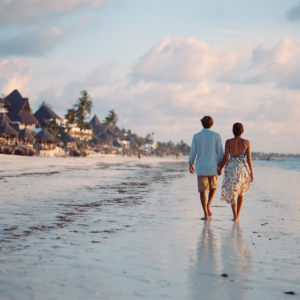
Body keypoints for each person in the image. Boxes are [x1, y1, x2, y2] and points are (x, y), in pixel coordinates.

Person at [188, 116, 224, 221]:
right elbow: (220, 152)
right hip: (213, 166)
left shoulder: (196, 136)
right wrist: (221, 166)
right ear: (212, 124)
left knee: (202, 190)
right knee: (213, 187)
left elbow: (192, 151)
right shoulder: (217, 136)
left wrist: (191, 163)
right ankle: (208, 206)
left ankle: (206, 215)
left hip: (201, 167)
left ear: (202, 124)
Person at [218, 123, 254, 221]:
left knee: (232, 192)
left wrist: (220, 167)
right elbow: (249, 159)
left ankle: (234, 216)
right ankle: (238, 215)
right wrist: (251, 172)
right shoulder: (247, 142)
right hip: (242, 168)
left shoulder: (228, 142)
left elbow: (226, 157)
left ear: (233, 131)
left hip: (231, 168)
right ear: (242, 131)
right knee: (240, 193)